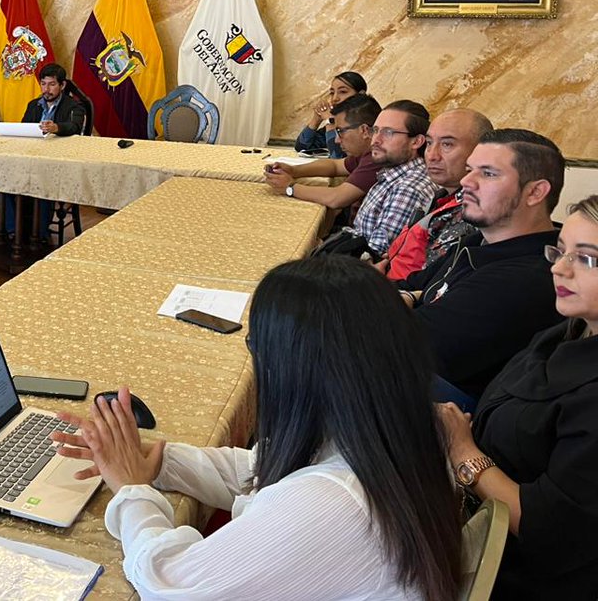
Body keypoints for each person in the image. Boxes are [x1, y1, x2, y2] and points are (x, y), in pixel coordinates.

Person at [52, 256, 462, 601]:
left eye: (257, 347)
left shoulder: (328, 504)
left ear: (293, 369)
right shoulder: (396, 423)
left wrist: (131, 490)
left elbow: (167, 583)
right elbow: (257, 468)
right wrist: (157, 461)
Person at [438, 195, 598, 600]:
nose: (559, 269)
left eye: (586, 259)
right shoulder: (567, 331)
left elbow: (545, 526)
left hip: (514, 574)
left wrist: (463, 453)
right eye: (560, 252)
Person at [398, 128, 563, 402]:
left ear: (535, 192)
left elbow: (396, 342)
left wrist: (407, 300)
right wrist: (406, 297)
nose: (465, 182)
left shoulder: (528, 276)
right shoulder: (478, 240)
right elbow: (410, 284)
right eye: (470, 170)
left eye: (487, 174)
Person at [311, 100, 437, 258]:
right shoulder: (392, 172)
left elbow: (370, 258)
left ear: (417, 141)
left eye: (388, 133)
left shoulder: (407, 189)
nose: (375, 140)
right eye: (376, 131)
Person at [378, 109, 493, 281]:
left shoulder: (472, 212)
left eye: (447, 144)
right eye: (430, 143)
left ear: (480, 151)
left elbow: (429, 286)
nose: (432, 155)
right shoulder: (442, 194)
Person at [0, 63, 87, 238]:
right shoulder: (34, 105)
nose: (47, 89)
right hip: (29, 157)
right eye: (43, 84)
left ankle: (39, 234)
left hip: (55, 164)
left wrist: (57, 128)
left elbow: (75, 127)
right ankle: (13, 230)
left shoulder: (73, 107)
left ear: (62, 85)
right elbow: (24, 129)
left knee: (44, 180)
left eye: (52, 84)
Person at [265, 92, 382, 221]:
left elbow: (337, 198)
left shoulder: (377, 157)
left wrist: (290, 188)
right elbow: (335, 165)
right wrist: (293, 170)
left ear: (364, 131)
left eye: (340, 131)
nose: (337, 140)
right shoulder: (365, 151)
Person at [293, 70, 366, 158]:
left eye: (343, 92)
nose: (335, 98)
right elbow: (301, 148)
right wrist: (316, 120)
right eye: (332, 93)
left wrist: (330, 122)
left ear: (361, 95)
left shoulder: (365, 124)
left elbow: (337, 157)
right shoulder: (339, 122)